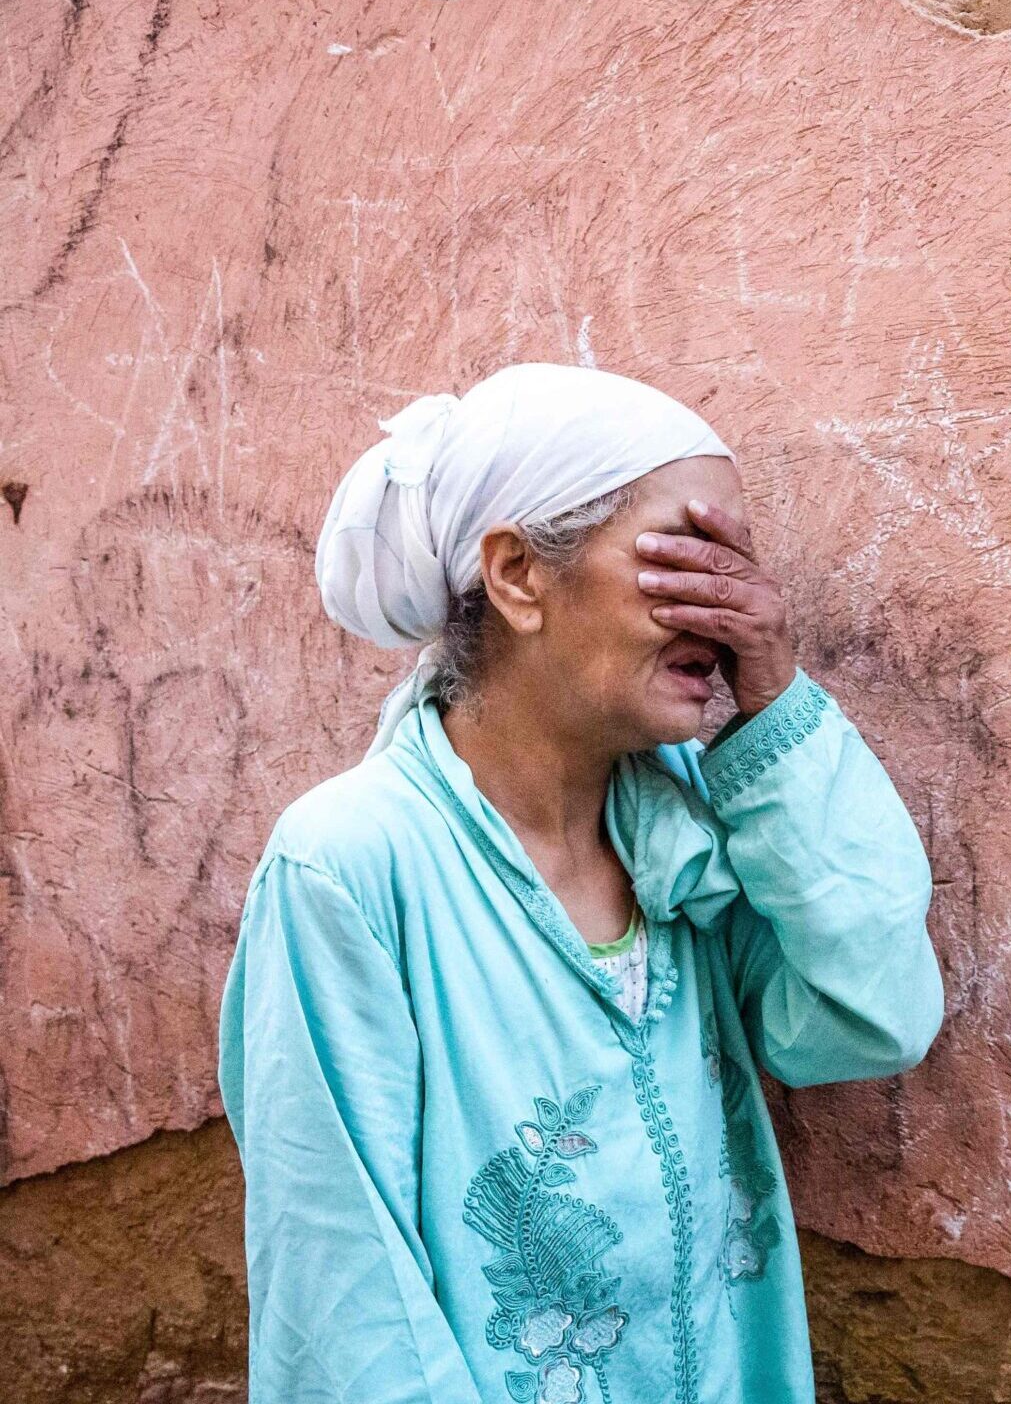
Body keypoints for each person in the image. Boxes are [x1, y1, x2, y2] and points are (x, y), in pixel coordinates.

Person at [216, 361, 945, 1404]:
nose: (732, 610)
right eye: (689, 560)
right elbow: (349, 1306)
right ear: (518, 573)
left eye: (741, 566)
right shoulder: (348, 867)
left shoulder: (686, 841)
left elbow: (870, 1014)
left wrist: (773, 703)